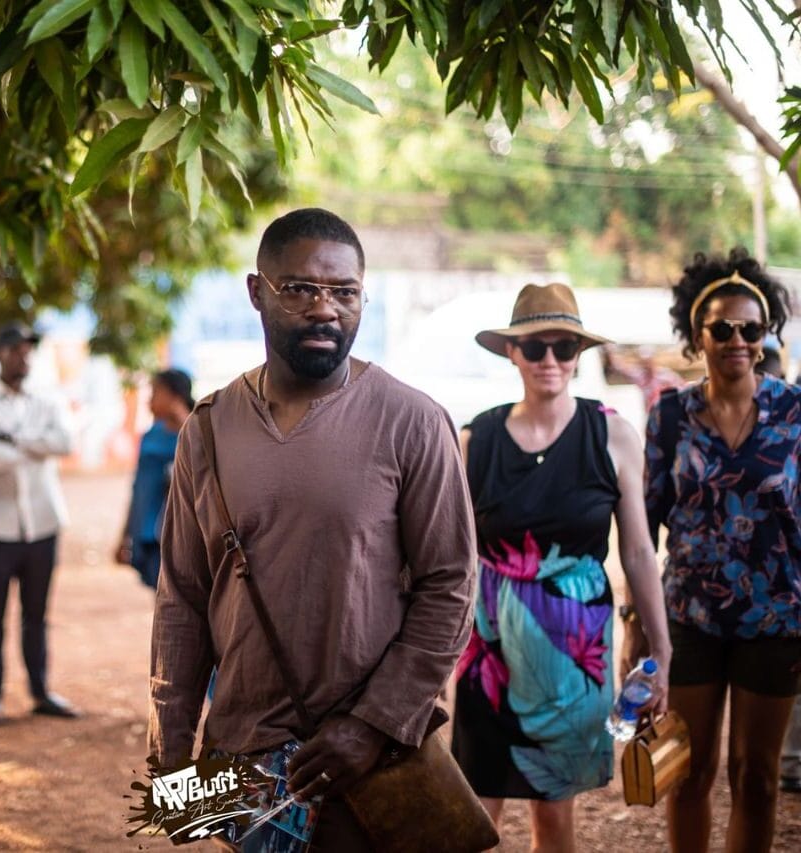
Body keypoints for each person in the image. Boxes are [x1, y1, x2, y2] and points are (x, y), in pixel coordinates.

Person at [149, 208, 477, 847]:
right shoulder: (208, 430)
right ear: (257, 292)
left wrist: (373, 725)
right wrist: (172, 744)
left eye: (344, 292)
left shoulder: (412, 422)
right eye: (300, 289)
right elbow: (182, 599)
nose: (325, 309)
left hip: (361, 767)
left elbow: (452, 586)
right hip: (240, 759)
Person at [450, 283, 672, 851]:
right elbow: (451, 557)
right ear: (511, 353)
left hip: (576, 657)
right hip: (489, 652)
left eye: (564, 346)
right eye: (535, 346)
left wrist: (660, 649)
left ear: (579, 355)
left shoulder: (612, 434)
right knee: (473, 815)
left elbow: (638, 552)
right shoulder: (476, 439)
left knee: (554, 814)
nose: (549, 359)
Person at [638, 249, 801, 853]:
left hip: (777, 620)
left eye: (751, 330)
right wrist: (637, 624)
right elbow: (644, 525)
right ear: (697, 337)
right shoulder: (670, 416)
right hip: (690, 619)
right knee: (686, 773)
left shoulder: (795, 413)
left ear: (764, 339)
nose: (737, 340)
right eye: (723, 329)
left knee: (756, 779)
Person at [0, 322, 77, 724]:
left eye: (28, 350)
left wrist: (12, 440)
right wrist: (35, 447)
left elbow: (65, 443)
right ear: (0, 353)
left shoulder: (46, 399)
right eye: (16, 350)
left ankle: (40, 692)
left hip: (43, 524)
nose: (24, 357)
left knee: (36, 615)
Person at [115, 368, 194, 589]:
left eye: (155, 392)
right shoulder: (150, 436)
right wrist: (125, 535)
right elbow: (137, 489)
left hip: (186, 538)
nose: (149, 400)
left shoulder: (199, 435)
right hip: (149, 535)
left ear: (175, 396)